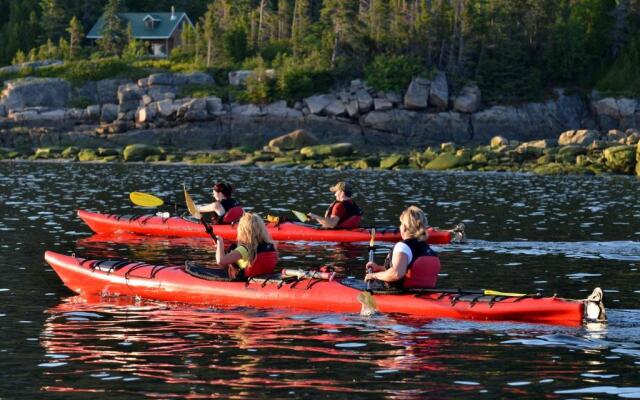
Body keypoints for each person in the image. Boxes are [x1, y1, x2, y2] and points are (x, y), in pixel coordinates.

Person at [364, 206, 440, 289]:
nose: (400, 227)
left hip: (401, 295)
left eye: (401, 224)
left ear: (405, 227)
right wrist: (378, 268)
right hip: (425, 294)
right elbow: (405, 268)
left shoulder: (402, 247)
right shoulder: (428, 249)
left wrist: (373, 276)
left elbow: (396, 273)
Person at [215, 213, 278, 280]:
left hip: (246, 281)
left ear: (243, 231)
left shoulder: (244, 249)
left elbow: (220, 261)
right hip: (265, 279)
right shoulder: (272, 245)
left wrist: (220, 243)